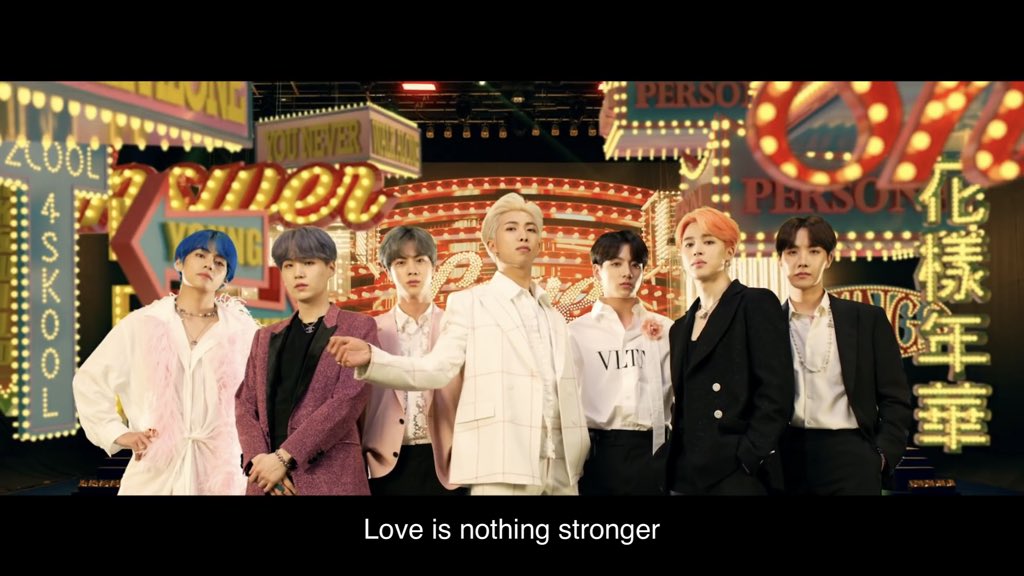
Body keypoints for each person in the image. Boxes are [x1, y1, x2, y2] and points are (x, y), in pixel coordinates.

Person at [329, 192, 590, 495]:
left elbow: (569, 389)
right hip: (500, 461)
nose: (523, 235)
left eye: (531, 229)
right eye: (511, 228)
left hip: (561, 467)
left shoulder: (555, 317)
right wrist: (373, 359)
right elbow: (435, 370)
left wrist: (577, 449)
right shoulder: (470, 303)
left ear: (540, 244)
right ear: (491, 245)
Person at [74, 230, 259, 495]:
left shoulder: (243, 333)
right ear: (179, 263)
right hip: (154, 471)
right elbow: (90, 380)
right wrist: (116, 433)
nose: (209, 264)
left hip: (218, 474)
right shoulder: (142, 324)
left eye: (220, 262)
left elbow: (264, 400)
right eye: (200, 255)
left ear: (226, 278)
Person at [235, 226, 379, 495]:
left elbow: (347, 401)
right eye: (288, 265)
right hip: (268, 483)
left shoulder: (359, 327)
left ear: (331, 267)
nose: (298, 273)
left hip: (331, 478)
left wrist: (283, 458)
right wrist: (259, 462)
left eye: (308, 263)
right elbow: (245, 404)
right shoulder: (264, 337)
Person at [775, 215, 912, 494]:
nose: (802, 261)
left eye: (814, 251)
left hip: (852, 456)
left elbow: (895, 396)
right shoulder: (766, 324)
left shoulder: (866, 319)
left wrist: (882, 455)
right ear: (780, 260)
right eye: (792, 252)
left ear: (829, 258)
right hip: (785, 458)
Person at [666, 207, 794, 495]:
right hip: (684, 474)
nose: (697, 250)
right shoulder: (679, 327)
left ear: (729, 251)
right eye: (689, 244)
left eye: (708, 241)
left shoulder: (755, 303)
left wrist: (749, 456)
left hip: (736, 472)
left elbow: (776, 392)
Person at [568, 230, 673, 495]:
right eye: (616, 264)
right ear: (596, 271)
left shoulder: (668, 329)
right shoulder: (575, 333)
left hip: (655, 451)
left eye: (635, 264)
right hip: (596, 453)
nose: (627, 273)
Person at [362, 225, 464, 495]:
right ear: (388, 271)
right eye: (400, 262)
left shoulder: (456, 327)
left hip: (449, 464)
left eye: (420, 260)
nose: (412, 270)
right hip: (386, 466)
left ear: (434, 266)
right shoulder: (371, 331)